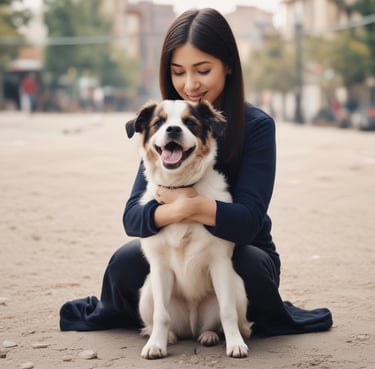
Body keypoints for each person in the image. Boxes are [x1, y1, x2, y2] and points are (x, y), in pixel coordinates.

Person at [60, 8, 333, 338]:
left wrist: (189, 204)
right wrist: (174, 211)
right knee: (125, 262)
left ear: (228, 64)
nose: (189, 84)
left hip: (240, 248)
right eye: (178, 72)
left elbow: (248, 221)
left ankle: (225, 320)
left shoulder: (257, 126)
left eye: (202, 70)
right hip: (177, 251)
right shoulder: (165, 126)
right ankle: (169, 317)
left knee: (248, 267)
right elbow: (133, 217)